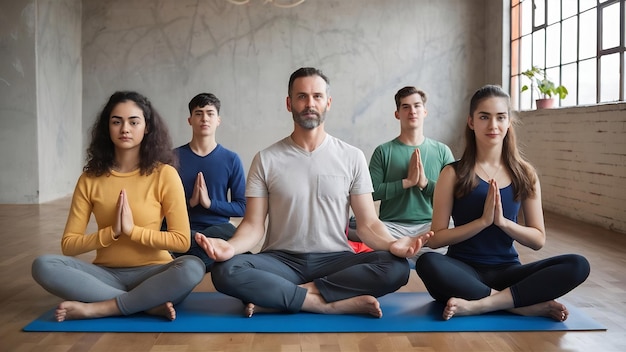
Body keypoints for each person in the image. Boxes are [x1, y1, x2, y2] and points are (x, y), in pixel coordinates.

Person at [195, 67, 432, 318]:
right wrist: (230, 248)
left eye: (317, 96)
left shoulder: (352, 157)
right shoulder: (266, 159)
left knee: (396, 267)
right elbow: (253, 226)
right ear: (289, 103)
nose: (310, 103)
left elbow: (368, 224)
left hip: (336, 260)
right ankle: (325, 303)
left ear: (328, 102)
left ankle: (287, 296)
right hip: (281, 260)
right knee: (225, 270)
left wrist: (393, 244)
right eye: (302, 96)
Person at [415, 84, 590, 321]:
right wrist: (482, 222)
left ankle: (483, 304)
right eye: (484, 117)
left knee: (578, 264)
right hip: (461, 271)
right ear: (471, 122)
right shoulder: (453, 173)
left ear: (509, 122)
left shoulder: (525, 173)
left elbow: (538, 240)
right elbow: (435, 240)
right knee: (427, 262)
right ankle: (517, 305)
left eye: (500, 117)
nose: (493, 125)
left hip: (508, 271)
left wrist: (503, 223)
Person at [31, 91, 205, 322]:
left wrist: (133, 232)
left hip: (155, 273)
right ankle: (143, 303)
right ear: (107, 127)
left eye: (134, 122)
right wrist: (111, 233)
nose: (125, 128)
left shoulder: (164, 174)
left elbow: (182, 241)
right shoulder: (90, 179)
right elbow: (69, 245)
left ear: (147, 128)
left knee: (193, 266)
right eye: (117, 121)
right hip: (105, 275)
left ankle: (101, 307)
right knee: (43, 265)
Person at [347, 87, 455, 261]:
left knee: (454, 232)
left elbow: (454, 195)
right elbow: (371, 193)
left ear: (425, 111)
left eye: (417, 106)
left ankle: (414, 253)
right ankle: (405, 252)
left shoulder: (442, 151)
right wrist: (406, 182)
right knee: (365, 230)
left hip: (431, 226)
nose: (412, 111)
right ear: (397, 114)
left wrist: (424, 184)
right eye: (405, 107)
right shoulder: (383, 151)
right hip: (391, 227)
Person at [170, 93, 246, 272]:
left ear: (218, 120)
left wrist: (209, 204)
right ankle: (209, 255)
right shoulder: (172, 158)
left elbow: (242, 207)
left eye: (210, 113)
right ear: (190, 120)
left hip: (220, 231)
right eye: (198, 113)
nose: (204, 118)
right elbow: (160, 207)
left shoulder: (231, 159)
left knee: (234, 238)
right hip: (183, 229)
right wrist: (190, 203)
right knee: (170, 238)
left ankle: (191, 261)